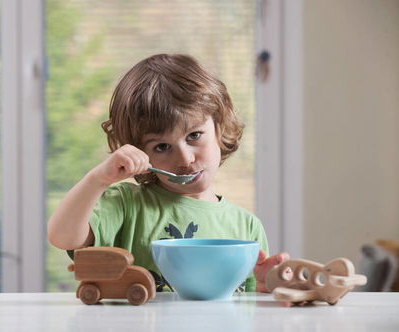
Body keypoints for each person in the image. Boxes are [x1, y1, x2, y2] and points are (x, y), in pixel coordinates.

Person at [48, 54, 289, 292]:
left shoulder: (247, 226)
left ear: (219, 126)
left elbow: (248, 308)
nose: (185, 159)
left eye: (194, 135)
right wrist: (98, 179)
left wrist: (264, 287)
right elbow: (63, 237)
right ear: (140, 152)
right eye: (162, 147)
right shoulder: (125, 204)